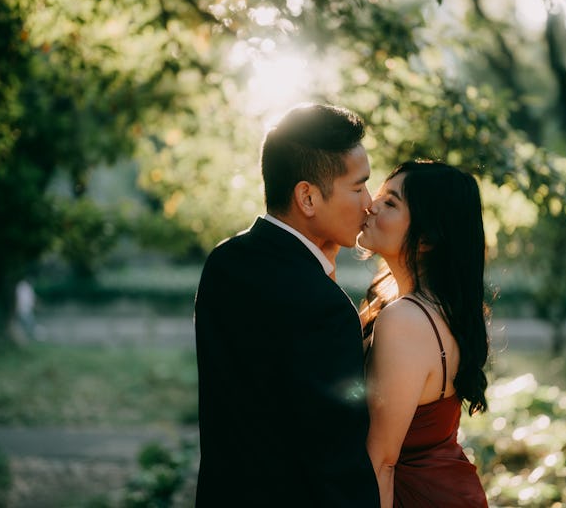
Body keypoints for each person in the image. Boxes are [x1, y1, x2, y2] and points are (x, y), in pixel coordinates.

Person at [194, 103, 381, 507]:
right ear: (307, 197)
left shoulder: (223, 263)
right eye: (358, 186)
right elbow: (337, 461)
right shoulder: (324, 308)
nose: (369, 202)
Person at [358, 160, 490, 507]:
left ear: (427, 238)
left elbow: (381, 462)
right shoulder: (427, 307)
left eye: (390, 203)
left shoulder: (405, 320)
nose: (370, 204)